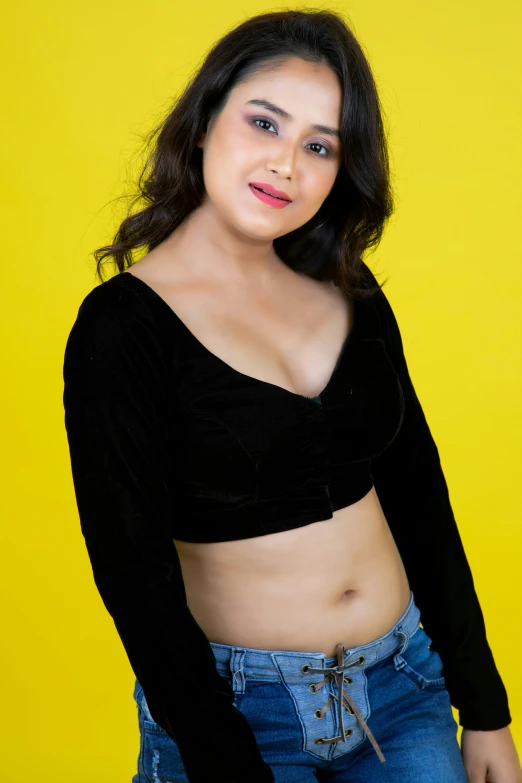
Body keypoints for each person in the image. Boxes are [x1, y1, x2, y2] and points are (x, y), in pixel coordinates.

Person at [62, 9, 521, 783]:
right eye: (265, 123)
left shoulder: (351, 286)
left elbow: (417, 489)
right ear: (205, 121)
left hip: (403, 688)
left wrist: (485, 707)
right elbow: (132, 575)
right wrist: (222, 757)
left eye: (319, 145)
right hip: (238, 712)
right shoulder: (123, 329)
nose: (286, 164)